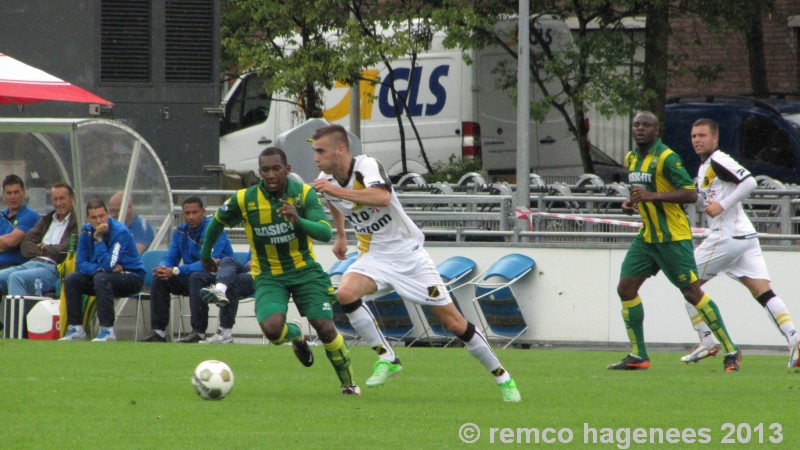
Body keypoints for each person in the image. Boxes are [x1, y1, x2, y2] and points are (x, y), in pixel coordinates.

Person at [311, 124, 521, 402]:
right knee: (345, 293)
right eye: (315, 151)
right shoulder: (326, 181)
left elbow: (382, 198)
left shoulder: (367, 166)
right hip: (374, 256)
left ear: (340, 149)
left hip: (409, 256)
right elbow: (334, 203)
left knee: (453, 323)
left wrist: (337, 193)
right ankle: (387, 357)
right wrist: (340, 235)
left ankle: (502, 377)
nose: (316, 157)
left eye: (321, 151)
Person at [200, 147, 360, 395]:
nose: (271, 174)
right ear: (260, 172)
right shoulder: (245, 199)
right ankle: (297, 336)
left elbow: (325, 232)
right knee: (274, 332)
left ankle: (349, 384)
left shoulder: (304, 195)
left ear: (288, 169)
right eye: (265, 170)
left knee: (325, 328)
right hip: (269, 276)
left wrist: (298, 221)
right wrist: (205, 254)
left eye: (276, 168)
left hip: (305, 271)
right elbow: (217, 221)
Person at [609, 111, 740, 372]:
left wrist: (652, 196)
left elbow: (691, 195)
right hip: (648, 238)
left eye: (646, 125)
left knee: (692, 292)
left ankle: (731, 350)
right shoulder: (632, 157)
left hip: (673, 237)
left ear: (657, 131)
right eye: (636, 125)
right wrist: (630, 202)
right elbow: (640, 192)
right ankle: (638, 355)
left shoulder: (668, 158)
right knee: (625, 289)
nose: (640, 129)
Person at [680, 118, 800, 367]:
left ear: (715, 139)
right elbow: (709, 197)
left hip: (726, 237)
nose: (697, 140)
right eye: (694, 136)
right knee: (763, 292)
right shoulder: (703, 168)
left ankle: (707, 341)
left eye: (702, 136)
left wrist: (723, 205)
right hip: (744, 237)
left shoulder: (718, 160)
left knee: (687, 285)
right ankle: (795, 341)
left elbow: (750, 182)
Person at [143, 196, 233, 343]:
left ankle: (199, 332)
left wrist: (176, 270)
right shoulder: (180, 231)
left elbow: (208, 264)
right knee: (160, 278)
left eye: (195, 212)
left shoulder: (214, 229)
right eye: (187, 213)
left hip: (218, 278)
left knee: (196, 277)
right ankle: (159, 332)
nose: (190, 217)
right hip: (192, 276)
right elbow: (171, 257)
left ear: (203, 212)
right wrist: (163, 267)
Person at [60, 199, 145, 341]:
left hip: (131, 277)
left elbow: (109, 265)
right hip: (103, 276)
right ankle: (76, 328)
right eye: (94, 217)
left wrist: (99, 240)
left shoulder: (120, 232)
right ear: (88, 218)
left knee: (102, 278)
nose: (99, 221)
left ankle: (108, 330)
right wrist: (100, 269)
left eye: (102, 216)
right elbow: (80, 264)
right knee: (72, 279)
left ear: (108, 215)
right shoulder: (86, 231)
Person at [0, 182, 78, 297]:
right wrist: (46, 250)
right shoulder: (47, 220)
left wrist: (45, 247)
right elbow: (26, 246)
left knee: (16, 278)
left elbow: (64, 250)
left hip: (54, 269)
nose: (58, 203)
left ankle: (19, 315)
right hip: (33, 263)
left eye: (62, 199)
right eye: (55, 199)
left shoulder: (77, 223)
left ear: (72, 198)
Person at [199, 253, 254, 344]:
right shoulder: (255, 239)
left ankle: (225, 332)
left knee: (231, 282)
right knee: (226, 260)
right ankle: (220, 290)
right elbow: (248, 264)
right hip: (249, 271)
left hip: (263, 275)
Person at [0, 174, 41, 269]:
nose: (13, 197)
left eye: (16, 192)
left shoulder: (30, 215)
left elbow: (11, 241)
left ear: (24, 192)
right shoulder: (1, 215)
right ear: (4, 195)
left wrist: (4, 244)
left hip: (13, 267)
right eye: (9, 193)